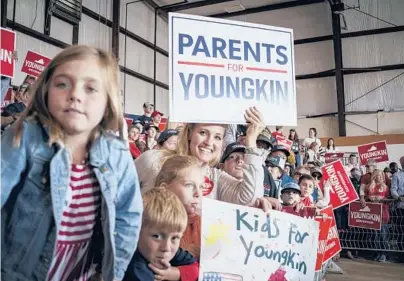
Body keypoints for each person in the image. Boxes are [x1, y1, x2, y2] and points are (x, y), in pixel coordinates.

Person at [1, 45, 143, 281]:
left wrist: (112, 275)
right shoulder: (25, 137)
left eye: (90, 88)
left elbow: (128, 218)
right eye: (62, 84)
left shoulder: (118, 154)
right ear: (46, 90)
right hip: (19, 271)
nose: (75, 94)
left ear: (108, 102)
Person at [124, 188, 198, 281]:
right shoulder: (136, 270)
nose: (166, 248)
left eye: (174, 238)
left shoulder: (165, 250)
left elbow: (196, 268)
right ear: (137, 232)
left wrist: (172, 273)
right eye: (156, 236)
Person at [155, 155, 204, 260]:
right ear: (164, 189)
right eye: (189, 185)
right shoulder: (150, 220)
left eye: (201, 187)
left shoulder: (203, 224)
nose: (198, 193)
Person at [363, 169, 390, 262]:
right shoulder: (368, 187)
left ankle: (384, 253)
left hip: (383, 214)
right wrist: (368, 198)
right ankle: (377, 252)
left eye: (380, 175)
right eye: (377, 175)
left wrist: (382, 198)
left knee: (383, 235)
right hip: (372, 215)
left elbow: (389, 199)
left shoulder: (385, 187)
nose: (378, 177)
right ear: (374, 177)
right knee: (374, 236)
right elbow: (363, 198)